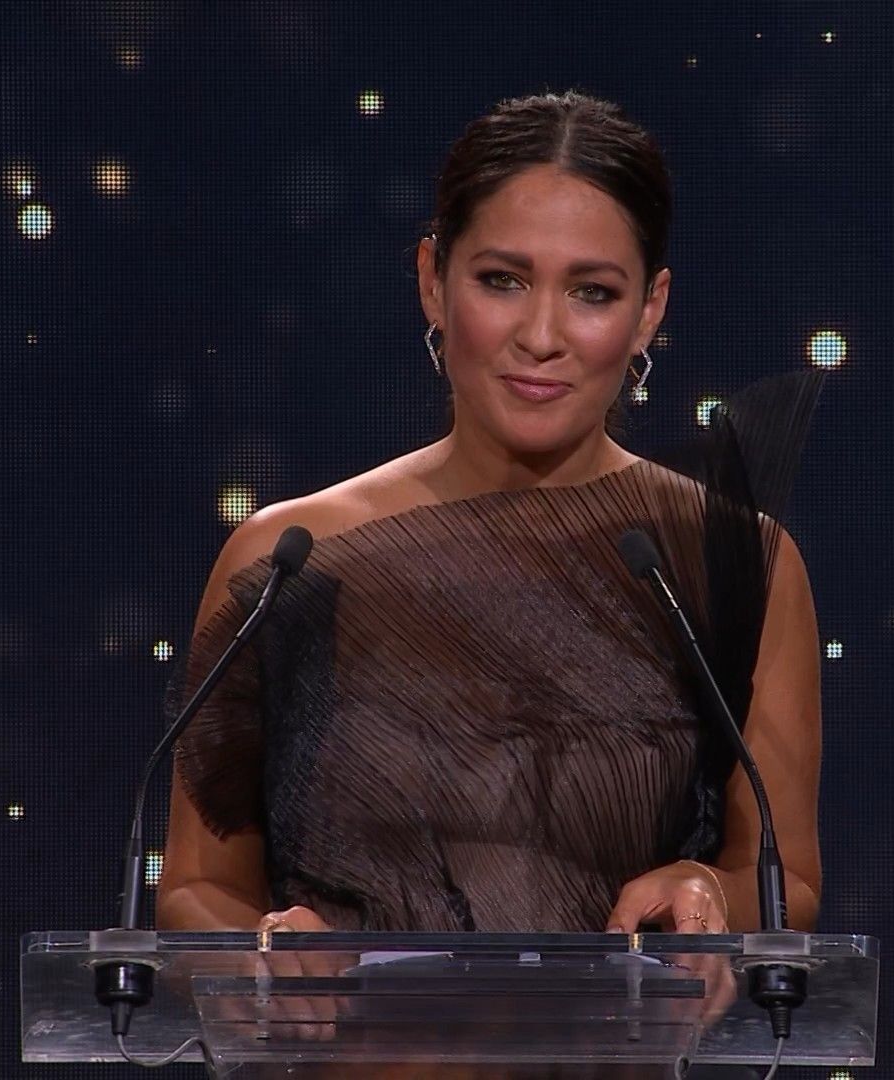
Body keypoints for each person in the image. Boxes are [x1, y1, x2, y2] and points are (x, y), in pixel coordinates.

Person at [156, 91, 823, 948]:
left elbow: (786, 879)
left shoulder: (733, 562)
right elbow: (198, 888)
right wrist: (270, 954)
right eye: (502, 281)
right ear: (433, 281)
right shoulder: (289, 561)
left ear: (650, 310)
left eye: (592, 292)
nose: (541, 335)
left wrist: (708, 891)